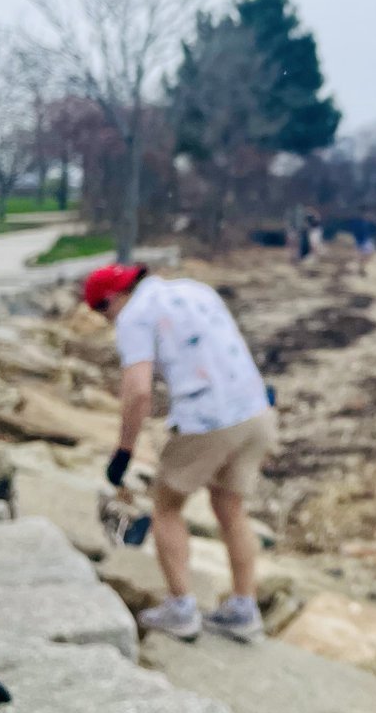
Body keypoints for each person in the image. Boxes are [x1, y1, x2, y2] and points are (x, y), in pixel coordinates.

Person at [85, 265, 277, 644]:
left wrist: (123, 450)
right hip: (257, 412)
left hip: (208, 420)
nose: (105, 320)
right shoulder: (195, 289)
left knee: (166, 508)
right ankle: (244, 609)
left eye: (100, 311)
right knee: (230, 509)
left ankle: (181, 609)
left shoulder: (133, 316)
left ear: (112, 299)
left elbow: (138, 391)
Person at [348, 207, 376, 277]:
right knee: (362, 256)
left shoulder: (368, 222)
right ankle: (361, 269)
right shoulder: (359, 221)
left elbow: (373, 231)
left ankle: (361, 268)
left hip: (365, 240)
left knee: (367, 255)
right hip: (361, 241)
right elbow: (355, 231)